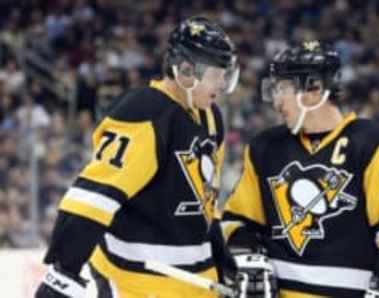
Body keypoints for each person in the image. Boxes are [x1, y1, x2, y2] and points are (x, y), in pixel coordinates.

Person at [35, 16, 239, 298]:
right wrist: (64, 270)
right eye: (217, 74)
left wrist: (220, 257)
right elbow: (95, 197)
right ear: (186, 71)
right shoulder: (143, 112)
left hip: (197, 282)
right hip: (139, 281)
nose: (223, 83)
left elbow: (205, 200)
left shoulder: (211, 116)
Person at [221, 41, 379, 297]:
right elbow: (237, 220)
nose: (275, 102)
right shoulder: (266, 147)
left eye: (282, 89)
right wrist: (248, 256)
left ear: (313, 89)